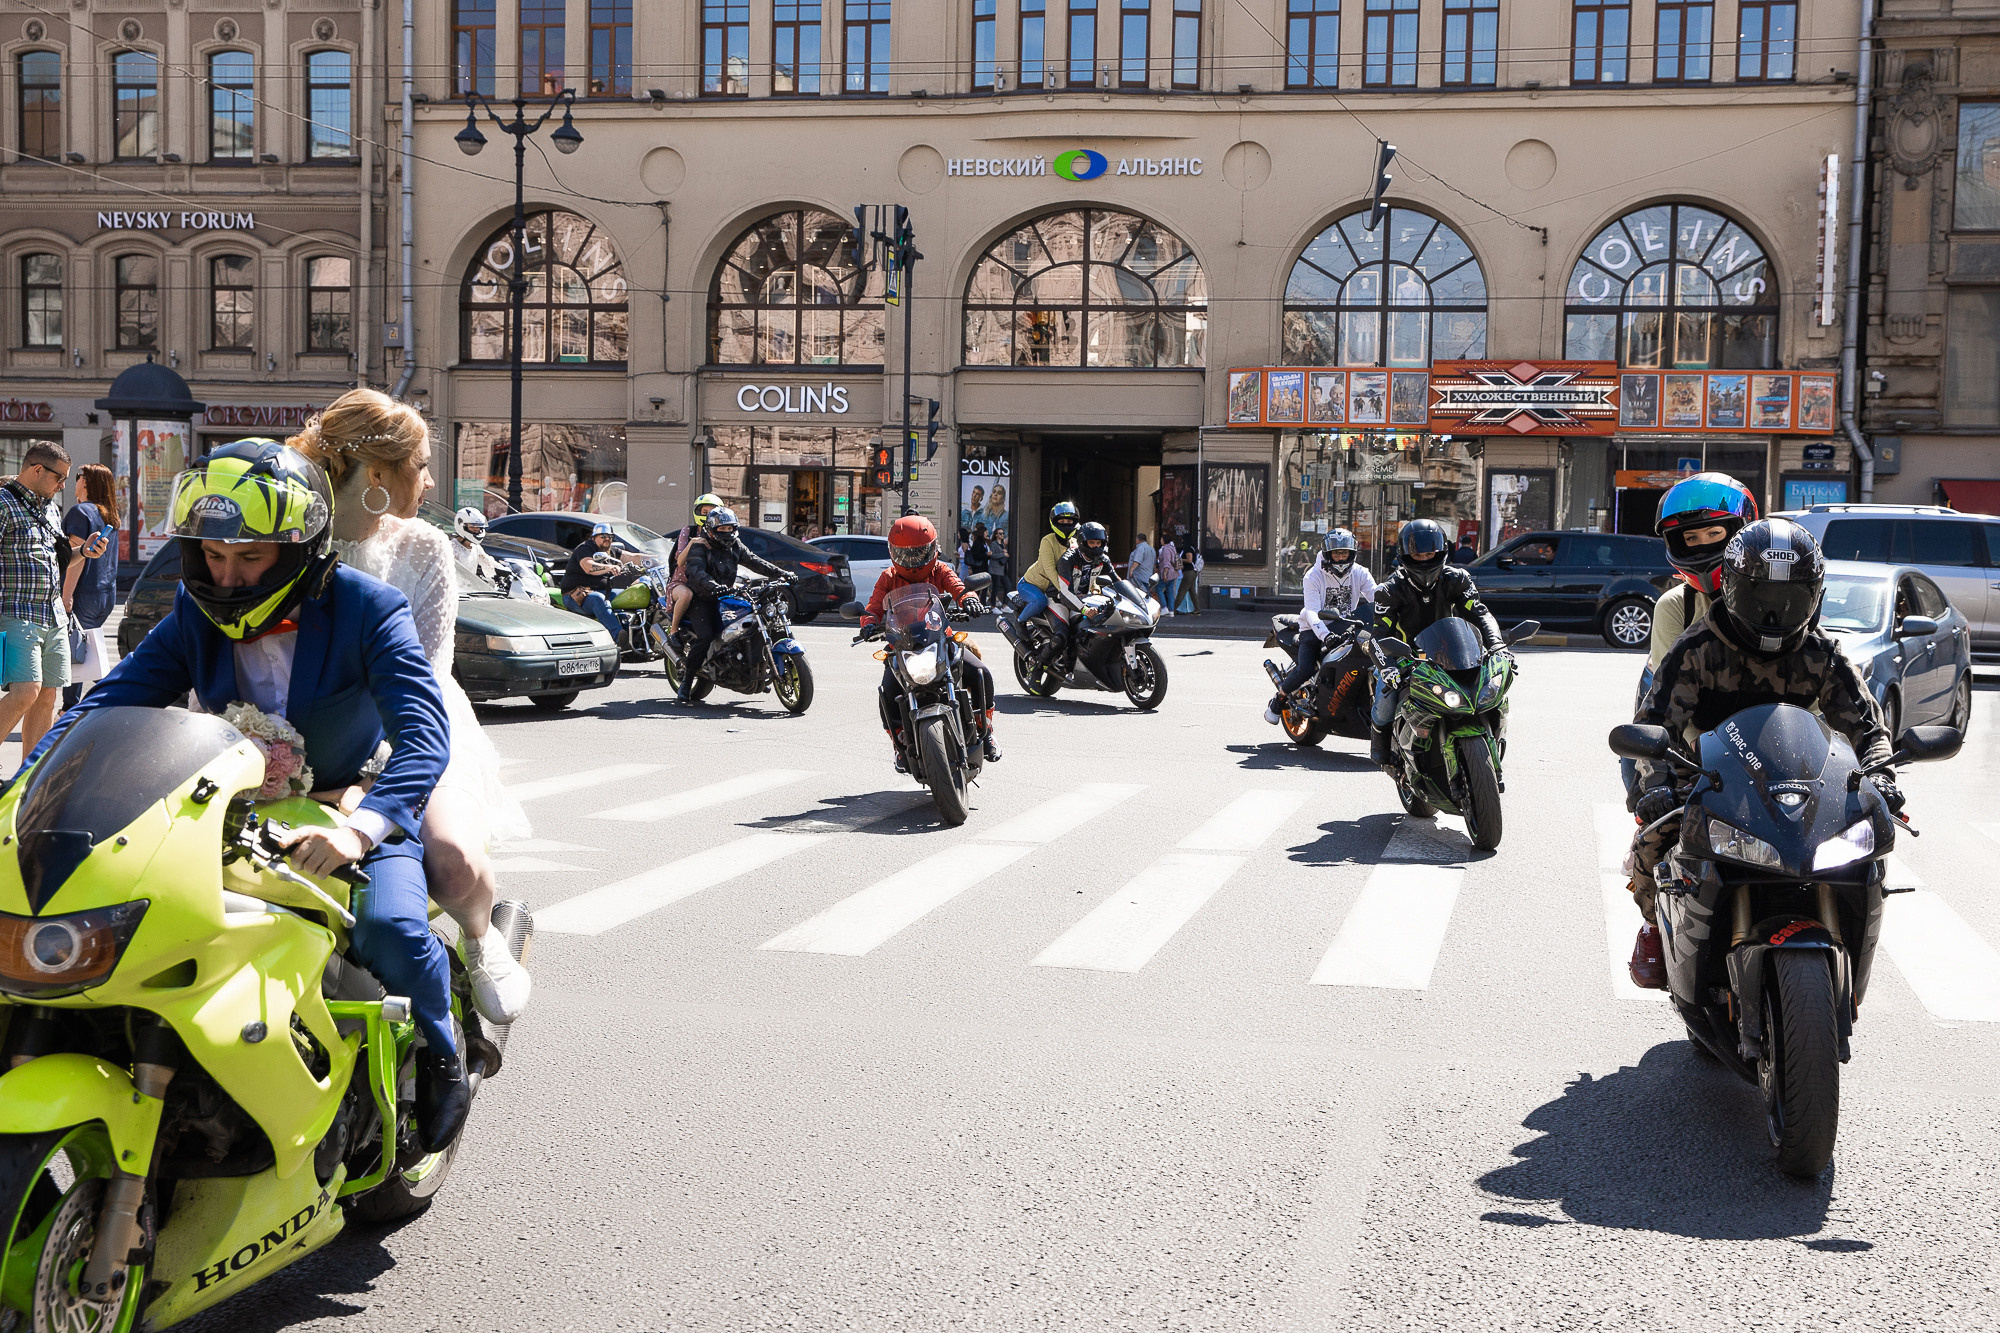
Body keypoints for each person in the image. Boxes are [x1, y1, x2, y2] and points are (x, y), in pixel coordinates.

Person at [19, 441, 471, 1150]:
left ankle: (444, 1056)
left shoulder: (370, 608)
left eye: (250, 558)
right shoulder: (193, 613)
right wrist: (25, 787)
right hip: (227, 811)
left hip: (351, 801)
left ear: (301, 552)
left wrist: (362, 828)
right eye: (214, 556)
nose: (227, 576)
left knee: (389, 927)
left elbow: (424, 735)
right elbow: (99, 708)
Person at [293, 394, 533, 1025]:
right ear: (377, 474)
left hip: (411, 725)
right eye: (421, 465)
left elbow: (426, 673)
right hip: (303, 731)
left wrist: (371, 775)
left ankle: (483, 940)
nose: (429, 482)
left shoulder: (422, 547)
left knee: (450, 855)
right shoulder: (290, 540)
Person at [1623, 518, 1895, 989]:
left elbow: (1869, 728)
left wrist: (1882, 776)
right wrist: (1656, 785)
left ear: (1815, 595)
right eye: (1760, 596)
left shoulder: (1821, 652)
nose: (1774, 613)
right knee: (1651, 842)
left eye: (1789, 599)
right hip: (1710, 774)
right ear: (1729, 589)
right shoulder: (1696, 648)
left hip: (1807, 775)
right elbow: (1655, 724)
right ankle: (1653, 925)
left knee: (1865, 851)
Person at [860, 515, 1000, 770]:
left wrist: (968, 599)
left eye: (919, 553)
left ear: (933, 549)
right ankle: (899, 742)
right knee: (886, 693)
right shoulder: (888, 577)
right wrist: (869, 623)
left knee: (981, 673)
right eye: (906, 555)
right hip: (901, 646)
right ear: (893, 553)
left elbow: (957, 586)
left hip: (940, 639)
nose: (913, 561)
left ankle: (986, 729)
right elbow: (873, 606)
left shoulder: (940, 570)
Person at [1367, 518, 1506, 770]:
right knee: (1386, 701)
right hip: (1404, 658)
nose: (1424, 559)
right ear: (1405, 554)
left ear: (1441, 551)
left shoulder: (1458, 579)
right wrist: (1387, 667)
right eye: (1417, 554)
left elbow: (1480, 613)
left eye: (1429, 553)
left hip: (1452, 654)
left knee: (1488, 690)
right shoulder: (1389, 590)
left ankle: (1491, 741)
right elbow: (1377, 635)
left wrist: (1497, 646)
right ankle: (1380, 744)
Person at [0, 441, 75, 759]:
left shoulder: (52, 509)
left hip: (54, 614)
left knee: (46, 697)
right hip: (18, 611)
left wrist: (84, 552)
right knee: (25, 691)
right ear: (37, 470)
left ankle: (27, 780)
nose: (62, 486)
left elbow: (50, 560)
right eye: (60, 479)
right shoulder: (4, 503)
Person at [677, 506, 791, 704]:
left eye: (730, 528)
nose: (727, 532)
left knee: (754, 623)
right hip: (703, 598)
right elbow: (695, 572)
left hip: (727, 596)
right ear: (712, 529)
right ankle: (687, 681)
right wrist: (714, 586)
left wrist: (781, 573)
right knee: (705, 636)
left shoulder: (735, 544)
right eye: (722, 529)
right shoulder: (700, 546)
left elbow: (755, 561)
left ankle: (754, 666)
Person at [1266, 527, 1376, 725]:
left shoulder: (1361, 573)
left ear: (1352, 553)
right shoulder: (1313, 576)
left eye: (1345, 553)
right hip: (1314, 628)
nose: (1341, 558)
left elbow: (1377, 600)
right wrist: (1325, 635)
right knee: (1306, 668)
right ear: (1328, 553)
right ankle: (1279, 699)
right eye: (1336, 553)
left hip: (1346, 625)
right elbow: (1312, 612)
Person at [61, 463, 119, 708]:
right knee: (85, 653)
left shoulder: (80, 512)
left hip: (82, 593)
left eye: (77, 476)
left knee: (75, 654)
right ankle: (113, 693)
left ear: (86, 481)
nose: (75, 481)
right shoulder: (110, 515)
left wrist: (66, 596)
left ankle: (69, 709)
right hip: (106, 594)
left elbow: (77, 558)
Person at [562, 520, 645, 645]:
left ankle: (639, 636)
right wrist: (610, 567)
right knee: (599, 599)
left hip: (603, 590)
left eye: (610, 537)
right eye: (603, 536)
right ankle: (619, 638)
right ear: (594, 537)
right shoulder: (585, 548)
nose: (607, 539)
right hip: (576, 594)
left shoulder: (610, 551)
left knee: (632, 595)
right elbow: (588, 566)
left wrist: (656, 558)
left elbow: (632, 557)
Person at [1016, 501, 1080, 657]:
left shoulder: (1074, 543)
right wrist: (1064, 591)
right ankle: (1020, 622)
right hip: (1031, 584)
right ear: (1054, 522)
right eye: (1062, 521)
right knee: (1040, 602)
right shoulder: (1047, 541)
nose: (1065, 524)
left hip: (1053, 587)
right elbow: (1050, 569)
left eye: (1069, 521)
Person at [665, 492, 723, 641]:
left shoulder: (721, 533)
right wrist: (693, 542)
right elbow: (680, 561)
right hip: (682, 581)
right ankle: (673, 630)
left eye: (712, 512)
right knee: (686, 595)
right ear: (698, 512)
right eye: (705, 512)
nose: (708, 515)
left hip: (705, 582)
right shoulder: (688, 531)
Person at [450, 506, 499, 586]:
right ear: (461, 525)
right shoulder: (452, 547)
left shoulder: (476, 548)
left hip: (471, 591)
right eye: (472, 526)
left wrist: (508, 570)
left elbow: (490, 563)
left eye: (479, 527)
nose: (477, 530)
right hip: (457, 591)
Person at [1128, 531, 1156, 600]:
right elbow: (1154, 563)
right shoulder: (1152, 549)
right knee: (1146, 593)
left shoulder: (1140, 548)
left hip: (1139, 577)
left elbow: (1137, 561)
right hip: (1148, 576)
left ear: (1137, 539)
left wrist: (1131, 570)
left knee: (1141, 595)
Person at [1156, 534, 1179, 617]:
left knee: (1158, 588)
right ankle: (1171, 610)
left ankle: (1164, 607)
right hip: (1174, 573)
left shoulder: (1165, 549)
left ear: (1164, 540)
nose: (1160, 541)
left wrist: (1165, 574)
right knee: (1170, 591)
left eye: (1161, 539)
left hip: (1168, 573)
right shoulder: (1173, 548)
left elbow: (1166, 562)